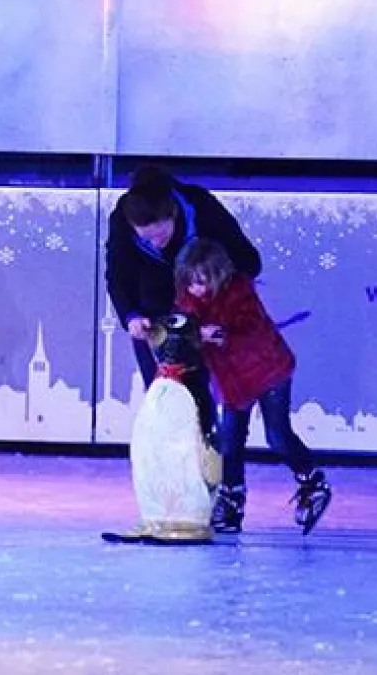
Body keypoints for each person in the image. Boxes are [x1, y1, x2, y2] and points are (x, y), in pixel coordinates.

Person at [104, 165, 263, 532]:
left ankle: (218, 496)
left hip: (209, 324)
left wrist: (217, 296)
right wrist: (131, 315)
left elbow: (249, 261)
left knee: (212, 412)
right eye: (146, 238)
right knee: (169, 411)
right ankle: (171, 500)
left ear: (173, 214)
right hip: (160, 327)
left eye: (161, 234)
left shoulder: (201, 209)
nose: (155, 242)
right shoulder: (122, 219)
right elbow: (117, 275)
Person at [173, 237, 332, 535]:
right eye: (190, 282)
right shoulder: (187, 302)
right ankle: (232, 501)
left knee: (277, 435)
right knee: (229, 441)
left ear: (217, 274)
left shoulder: (239, 292)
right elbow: (182, 327)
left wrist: (221, 334)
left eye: (201, 281)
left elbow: (249, 326)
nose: (195, 288)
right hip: (232, 381)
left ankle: (312, 482)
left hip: (268, 371)